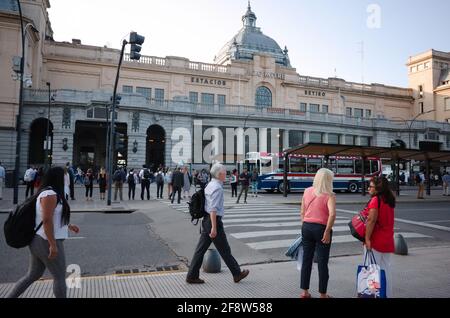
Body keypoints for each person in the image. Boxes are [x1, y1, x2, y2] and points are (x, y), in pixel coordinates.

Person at [6, 166, 80, 298]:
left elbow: (52, 216)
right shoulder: (49, 194)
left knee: (33, 275)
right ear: (59, 177)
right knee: (59, 276)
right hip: (45, 240)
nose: (67, 177)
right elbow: (46, 220)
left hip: (40, 240)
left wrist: (69, 225)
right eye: (65, 175)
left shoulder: (53, 193)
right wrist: (52, 244)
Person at [186, 163, 249, 284]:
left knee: (200, 250)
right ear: (220, 174)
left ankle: (192, 275)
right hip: (213, 221)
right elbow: (213, 209)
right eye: (225, 172)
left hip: (206, 220)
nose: (226, 174)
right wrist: (214, 227)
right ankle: (237, 274)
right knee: (225, 250)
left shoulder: (210, 184)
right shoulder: (218, 188)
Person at [300, 168, 336, 299]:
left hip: (307, 227)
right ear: (328, 180)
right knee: (322, 262)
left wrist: (304, 225)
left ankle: (304, 292)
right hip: (321, 229)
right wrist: (327, 231)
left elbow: (302, 212)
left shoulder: (307, 191)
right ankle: (323, 294)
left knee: (306, 260)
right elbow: (332, 214)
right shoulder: (329, 195)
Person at [364, 176, 396, 298]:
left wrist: (367, 239)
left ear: (378, 189)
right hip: (387, 239)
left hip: (375, 241)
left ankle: (373, 295)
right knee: (385, 270)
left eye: (371, 186)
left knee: (372, 271)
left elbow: (371, 221)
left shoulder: (375, 200)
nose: (368, 189)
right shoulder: (389, 199)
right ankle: (387, 295)